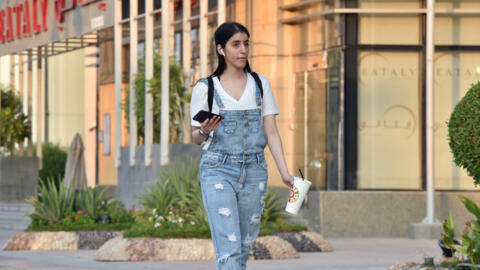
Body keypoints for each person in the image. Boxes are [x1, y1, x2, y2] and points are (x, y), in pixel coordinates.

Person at [190, 22, 294, 270]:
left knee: (244, 247)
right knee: (230, 247)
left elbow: (272, 132)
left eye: (246, 43)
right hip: (218, 169)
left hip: (255, 170)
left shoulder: (260, 84)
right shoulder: (206, 88)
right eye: (235, 44)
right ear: (221, 49)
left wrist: (285, 172)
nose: (243, 49)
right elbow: (195, 138)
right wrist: (205, 130)